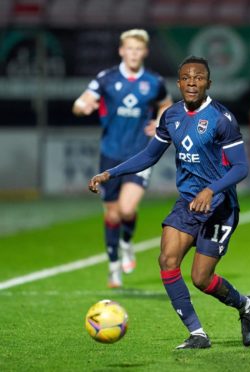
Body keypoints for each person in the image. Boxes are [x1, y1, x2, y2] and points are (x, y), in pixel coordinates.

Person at [88, 56, 250, 350]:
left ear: (208, 83)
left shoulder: (222, 118)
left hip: (220, 208)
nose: (192, 83)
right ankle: (197, 334)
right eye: (186, 78)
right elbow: (149, 155)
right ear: (179, 82)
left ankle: (246, 306)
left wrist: (211, 190)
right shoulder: (170, 116)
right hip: (188, 204)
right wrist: (110, 173)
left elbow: (240, 167)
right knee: (167, 260)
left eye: (199, 78)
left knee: (201, 279)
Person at [73, 29, 173, 288]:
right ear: (121, 50)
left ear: (145, 52)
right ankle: (114, 267)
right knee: (113, 214)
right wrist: (82, 107)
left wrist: (160, 121)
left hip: (141, 154)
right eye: (129, 49)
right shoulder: (106, 79)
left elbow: (166, 103)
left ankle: (127, 244)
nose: (133, 53)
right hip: (110, 154)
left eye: (138, 49)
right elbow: (82, 101)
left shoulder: (153, 81)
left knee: (128, 209)